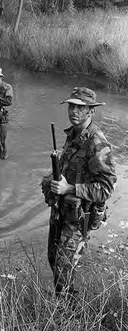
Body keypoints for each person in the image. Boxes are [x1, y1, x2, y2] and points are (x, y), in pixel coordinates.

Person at [41, 87, 117, 304]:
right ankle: (63, 305)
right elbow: (72, 169)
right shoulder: (73, 135)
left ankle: (67, 317)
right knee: (54, 260)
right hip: (61, 212)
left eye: (80, 107)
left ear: (91, 111)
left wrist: (69, 188)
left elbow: (105, 189)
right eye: (71, 106)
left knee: (64, 270)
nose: (74, 111)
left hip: (78, 218)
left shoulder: (97, 142)